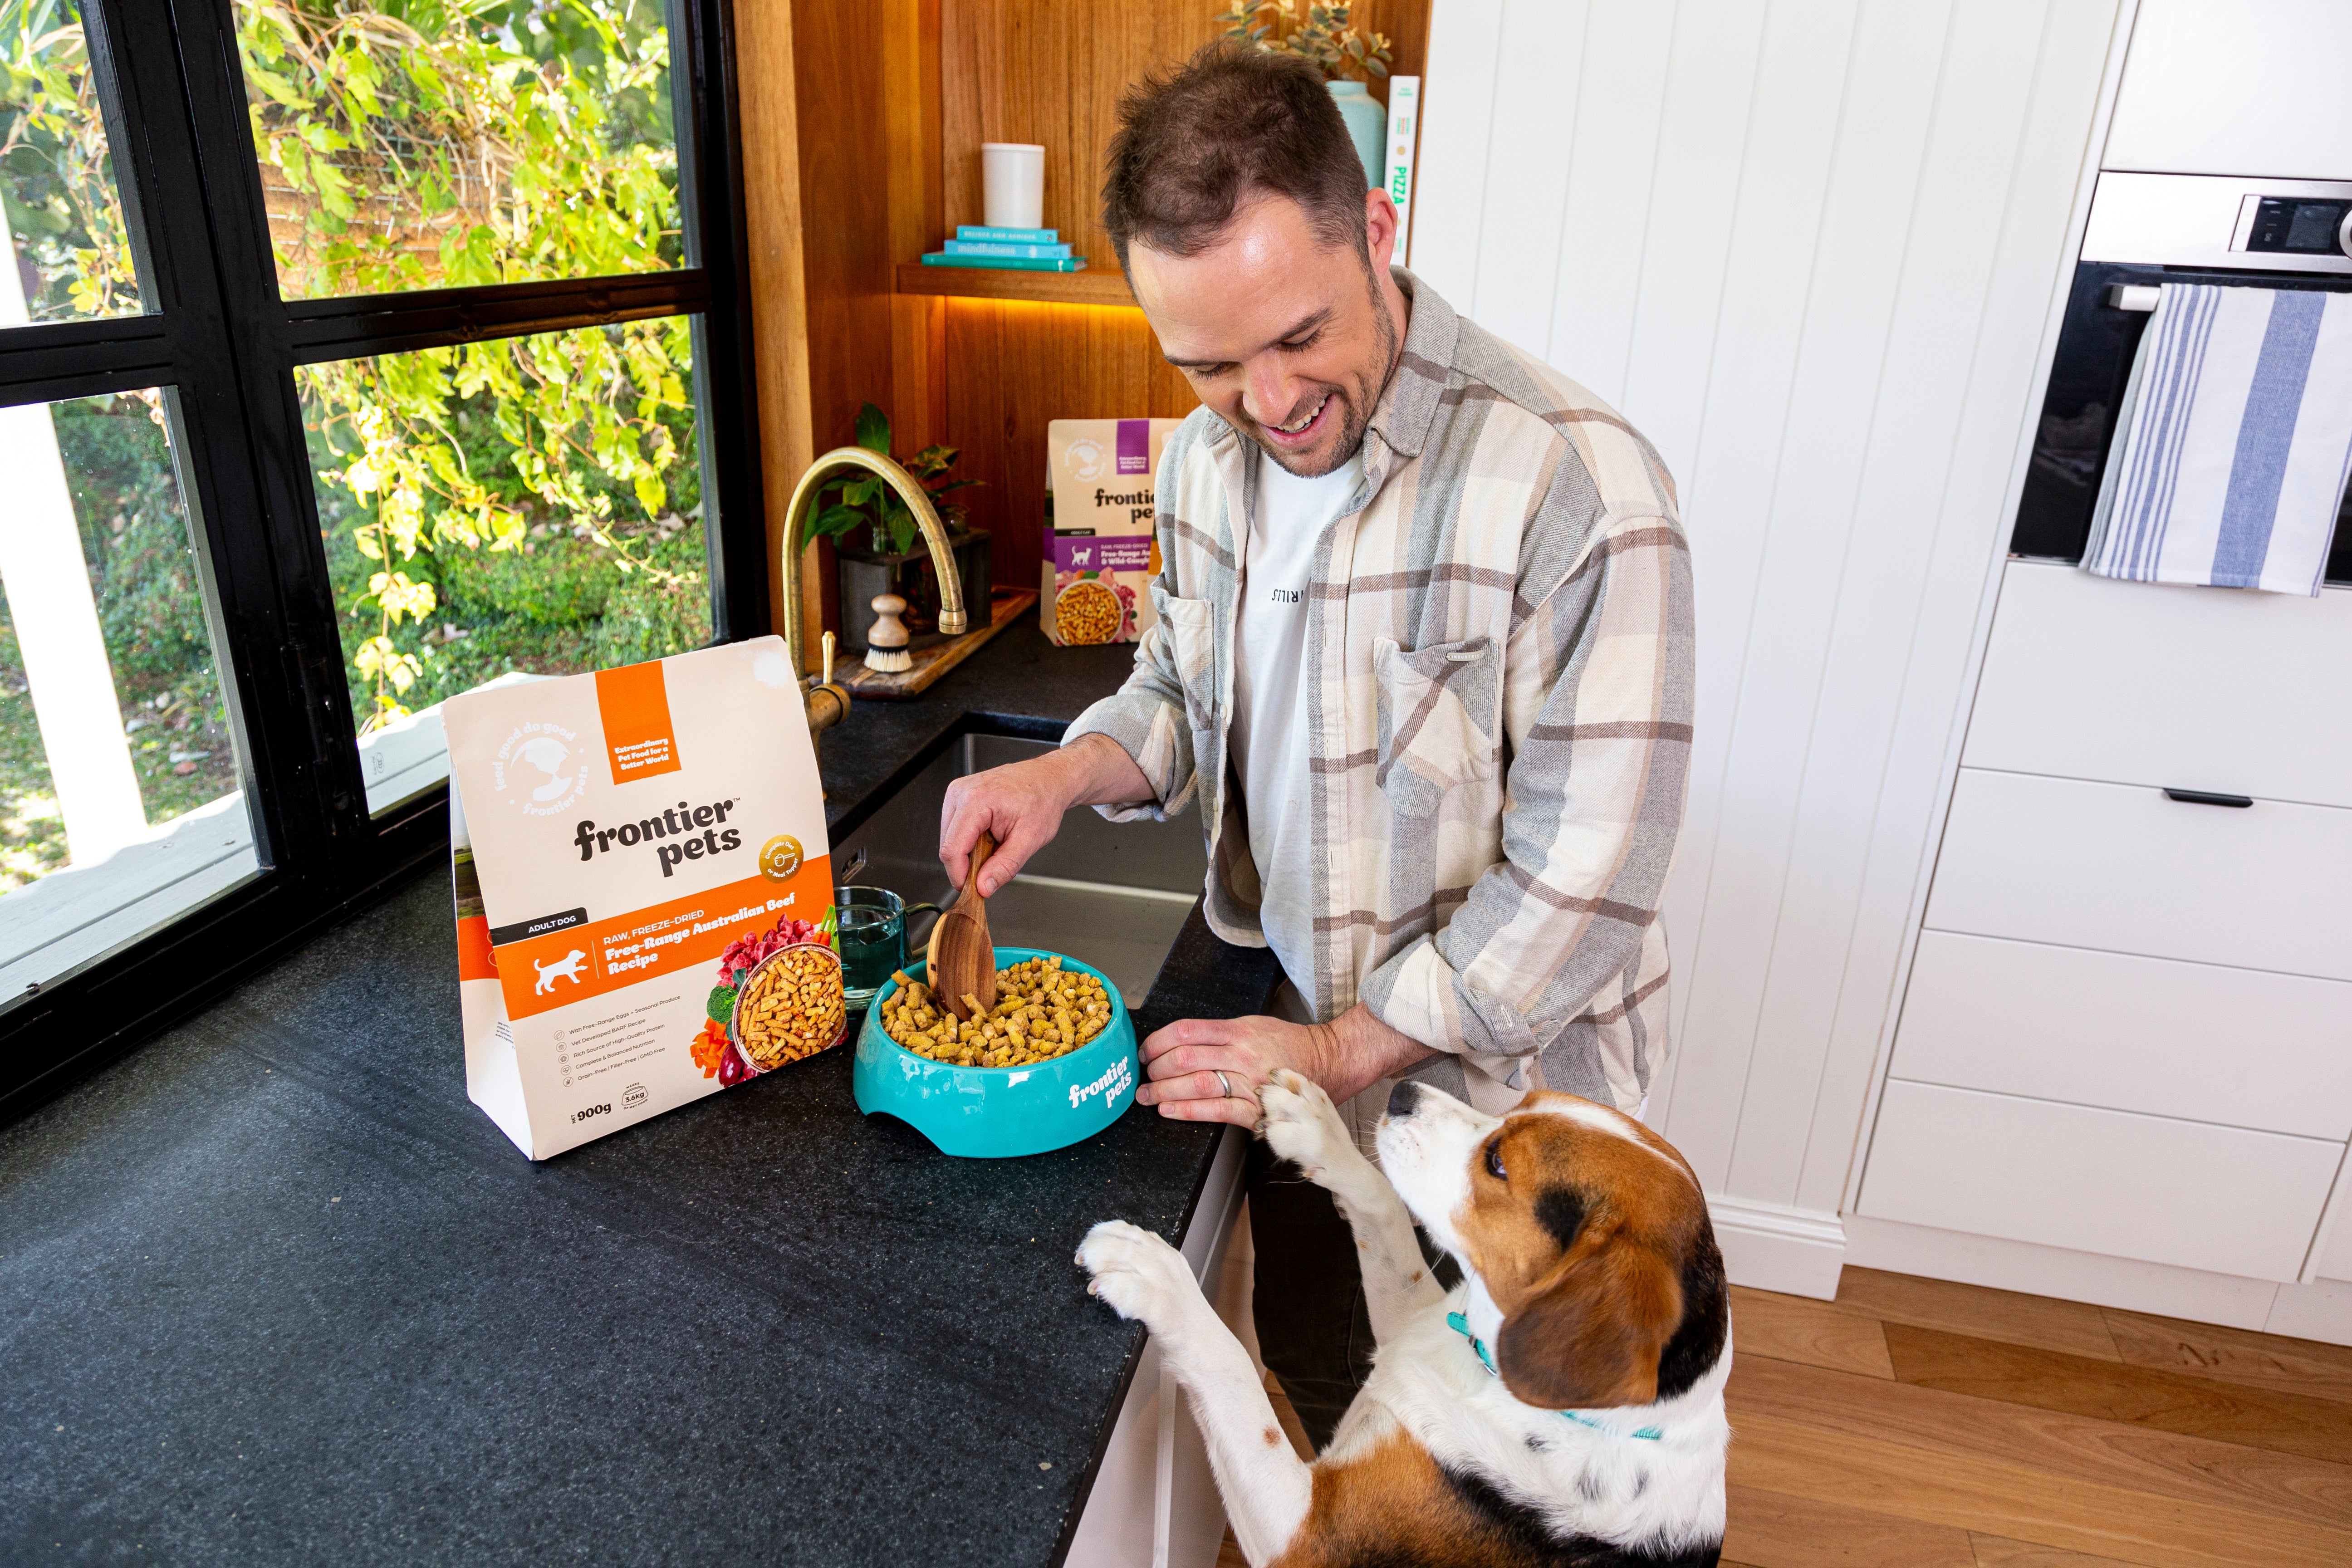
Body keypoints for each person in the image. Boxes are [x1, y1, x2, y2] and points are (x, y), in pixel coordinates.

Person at [936, 43, 1694, 1449]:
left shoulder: (1573, 486)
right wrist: (1068, 770)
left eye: (1300, 337)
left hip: (1508, 1138)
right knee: (1344, 1411)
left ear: (1381, 233)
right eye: (1211, 362)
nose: (1268, 401)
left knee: (1513, 1469)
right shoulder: (1200, 465)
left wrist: (1337, 1050)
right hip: (1309, 1040)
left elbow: (1587, 885)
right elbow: (1179, 687)